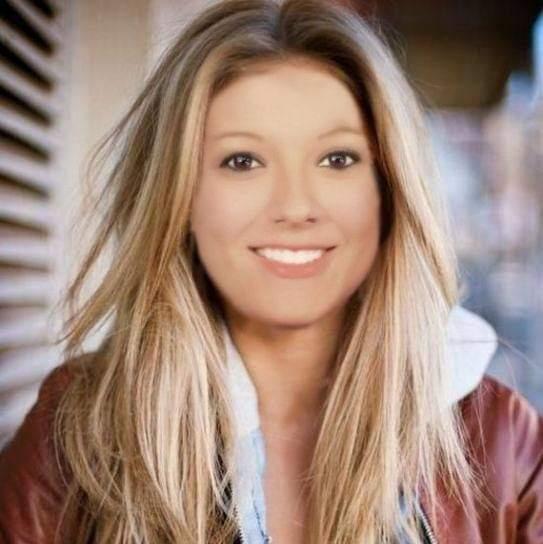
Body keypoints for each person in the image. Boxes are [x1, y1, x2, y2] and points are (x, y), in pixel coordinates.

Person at [0, 0, 542, 542]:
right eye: (243, 161)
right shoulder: (74, 430)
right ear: (179, 197)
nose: (295, 206)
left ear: (389, 192)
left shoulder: (504, 440)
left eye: (337, 159)